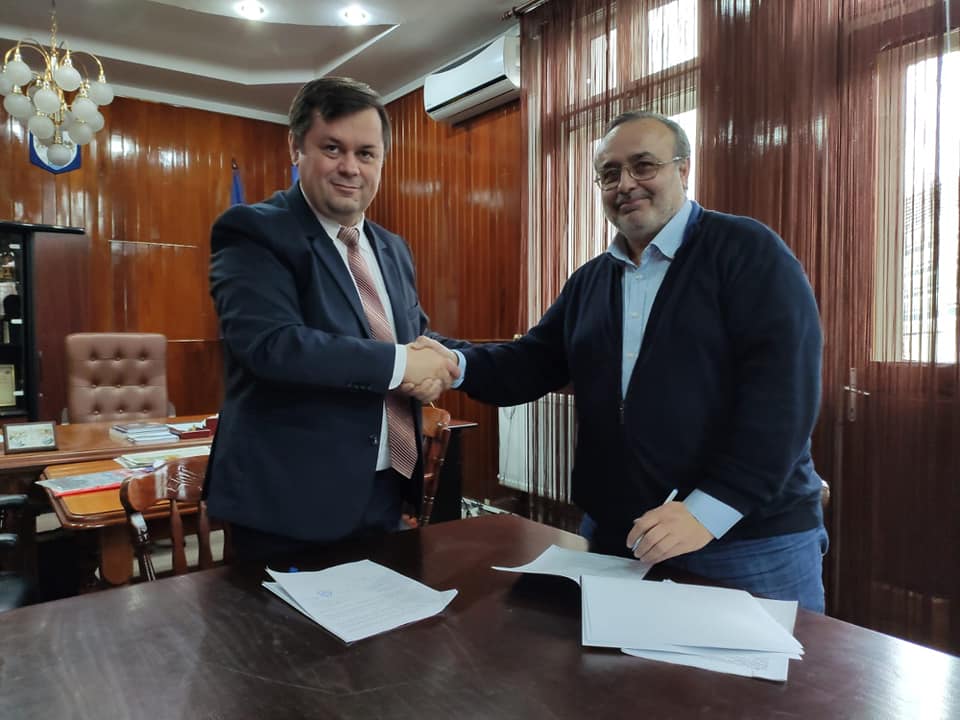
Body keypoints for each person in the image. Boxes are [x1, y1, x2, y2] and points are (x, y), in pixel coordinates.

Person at [436, 110, 829, 611]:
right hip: (620, 538)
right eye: (609, 173)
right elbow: (530, 362)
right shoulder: (591, 281)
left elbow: (784, 399)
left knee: (768, 668)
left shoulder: (748, 252)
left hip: (747, 542)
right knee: (602, 665)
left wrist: (709, 510)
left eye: (644, 166)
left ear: (683, 170)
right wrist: (451, 361)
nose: (625, 184)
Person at [204, 77, 460, 560]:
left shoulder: (393, 248)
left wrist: (449, 364)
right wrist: (404, 365)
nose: (350, 168)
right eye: (332, 148)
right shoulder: (253, 230)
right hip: (288, 505)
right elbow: (273, 345)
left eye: (366, 153)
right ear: (296, 148)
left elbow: (413, 339)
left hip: (385, 491)